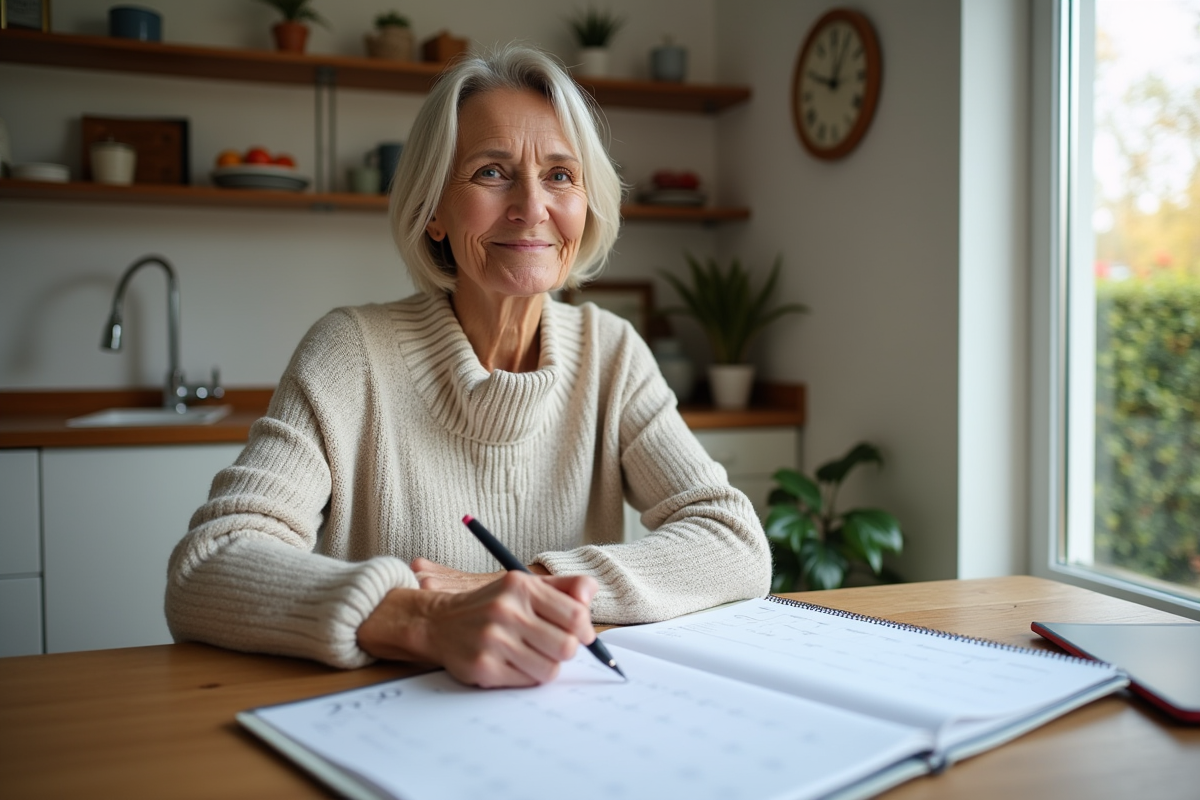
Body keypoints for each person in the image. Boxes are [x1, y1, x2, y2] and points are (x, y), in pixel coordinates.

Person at [165, 44, 770, 688]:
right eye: (491, 172)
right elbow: (209, 566)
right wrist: (425, 617)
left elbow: (734, 544)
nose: (532, 206)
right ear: (433, 210)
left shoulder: (612, 351)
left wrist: (521, 585)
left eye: (561, 175)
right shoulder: (350, 352)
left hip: (564, 710)